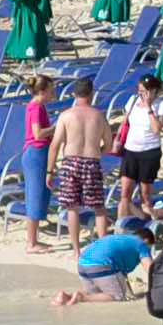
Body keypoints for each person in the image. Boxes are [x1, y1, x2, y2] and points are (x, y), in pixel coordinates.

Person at [50, 75, 112, 244]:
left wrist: (49, 171)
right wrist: (97, 151)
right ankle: (102, 247)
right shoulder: (98, 116)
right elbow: (109, 144)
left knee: (72, 209)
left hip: (71, 162)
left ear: (75, 94)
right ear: (91, 94)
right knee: (99, 207)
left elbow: (54, 145)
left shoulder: (66, 115)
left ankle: (76, 250)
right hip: (91, 161)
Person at [57, 224, 151, 306]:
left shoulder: (121, 239)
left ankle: (66, 297)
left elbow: (120, 277)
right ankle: (80, 297)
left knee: (94, 295)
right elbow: (150, 268)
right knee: (117, 297)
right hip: (101, 265)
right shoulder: (141, 244)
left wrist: (131, 294)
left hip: (82, 263)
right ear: (146, 241)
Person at [116, 74, 163, 223]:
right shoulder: (133, 101)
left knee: (145, 194)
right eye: (140, 90)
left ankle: (148, 220)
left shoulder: (160, 105)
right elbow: (124, 122)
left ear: (154, 91)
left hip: (149, 152)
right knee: (125, 193)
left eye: (145, 91)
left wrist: (149, 107)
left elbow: (157, 129)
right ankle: (121, 228)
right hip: (130, 150)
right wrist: (117, 140)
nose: (141, 94)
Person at [18, 72, 58, 254]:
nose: (53, 95)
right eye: (50, 91)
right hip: (36, 153)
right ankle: (31, 243)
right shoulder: (35, 107)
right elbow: (38, 134)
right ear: (41, 91)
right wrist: (56, 128)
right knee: (34, 194)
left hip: (38, 153)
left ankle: (34, 240)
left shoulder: (38, 106)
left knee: (39, 193)